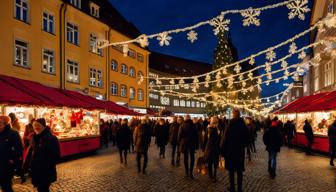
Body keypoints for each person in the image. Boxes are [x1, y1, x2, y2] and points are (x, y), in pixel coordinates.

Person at [24, 118, 60, 192]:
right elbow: (30, 153)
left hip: (45, 170)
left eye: (38, 125)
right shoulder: (34, 138)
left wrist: (46, 165)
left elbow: (56, 155)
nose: (36, 127)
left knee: (43, 188)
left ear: (43, 126)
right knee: (40, 189)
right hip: (36, 170)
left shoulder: (51, 138)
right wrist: (25, 167)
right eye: (34, 125)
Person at [222, 109, 249, 192]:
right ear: (239, 115)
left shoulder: (229, 125)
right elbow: (247, 138)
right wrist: (242, 145)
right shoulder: (243, 125)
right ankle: (239, 189)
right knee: (239, 171)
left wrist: (222, 150)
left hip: (230, 151)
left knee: (231, 171)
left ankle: (232, 187)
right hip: (239, 151)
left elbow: (225, 138)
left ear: (233, 115)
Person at [0, 116, 23, 192]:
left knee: (6, 186)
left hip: (6, 164)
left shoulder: (13, 133)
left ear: (6, 124)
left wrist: (12, 159)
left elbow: (19, 149)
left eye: (0, 123)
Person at [178, 115, 199, 179]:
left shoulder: (182, 125)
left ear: (185, 118)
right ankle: (191, 173)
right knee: (192, 158)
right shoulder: (194, 125)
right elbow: (196, 136)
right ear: (190, 118)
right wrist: (197, 145)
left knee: (185, 158)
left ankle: (186, 172)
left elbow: (179, 135)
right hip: (192, 143)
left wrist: (180, 142)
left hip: (184, 144)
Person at [204, 116, 220, 183]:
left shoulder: (218, 128)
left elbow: (220, 138)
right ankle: (212, 175)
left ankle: (214, 176)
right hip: (210, 147)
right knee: (211, 162)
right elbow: (206, 138)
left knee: (214, 162)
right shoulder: (209, 128)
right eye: (213, 121)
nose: (214, 122)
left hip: (214, 147)